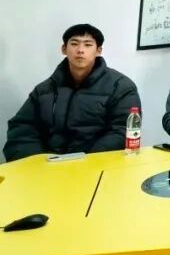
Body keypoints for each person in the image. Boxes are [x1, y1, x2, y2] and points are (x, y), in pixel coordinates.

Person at [5, 24, 141, 162]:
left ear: (98, 51)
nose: (80, 50)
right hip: (51, 166)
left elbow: (122, 131)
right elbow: (22, 130)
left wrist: (85, 162)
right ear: (64, 49)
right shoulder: (44, 90)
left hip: (96, 165)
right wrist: (37, 162)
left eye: (88, 45)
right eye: (74, 44)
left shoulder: (120, 86)